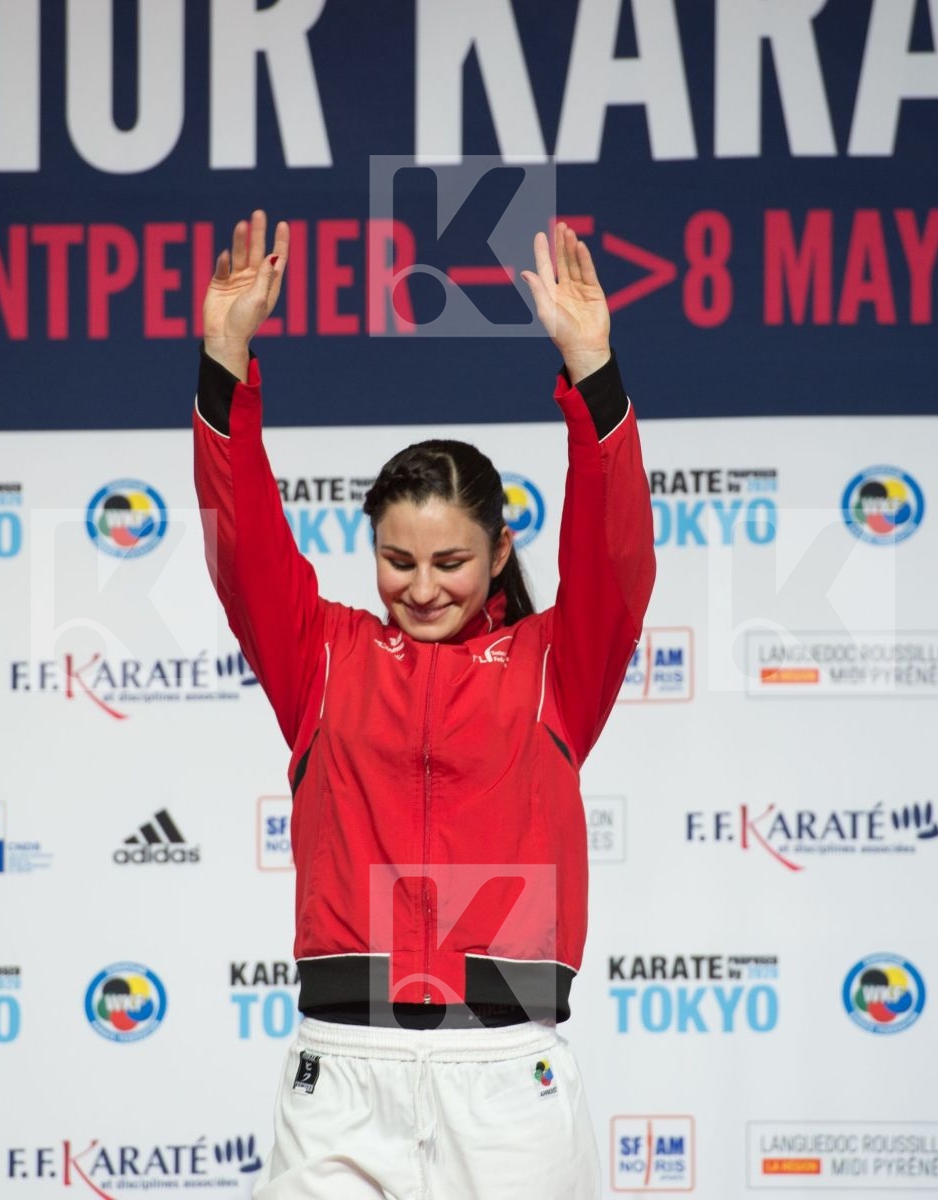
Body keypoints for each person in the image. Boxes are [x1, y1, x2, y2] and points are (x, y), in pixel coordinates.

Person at [193, 209, 654, 1198]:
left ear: (496, 557)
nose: (424, 585)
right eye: (398, 561)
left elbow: (616, 561)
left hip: (509, 1079)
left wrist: (592, 375)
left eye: (450, 561)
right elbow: (243, 550)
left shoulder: (553, 669)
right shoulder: (325, 656)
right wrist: (226, 356)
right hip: (342, 1074)